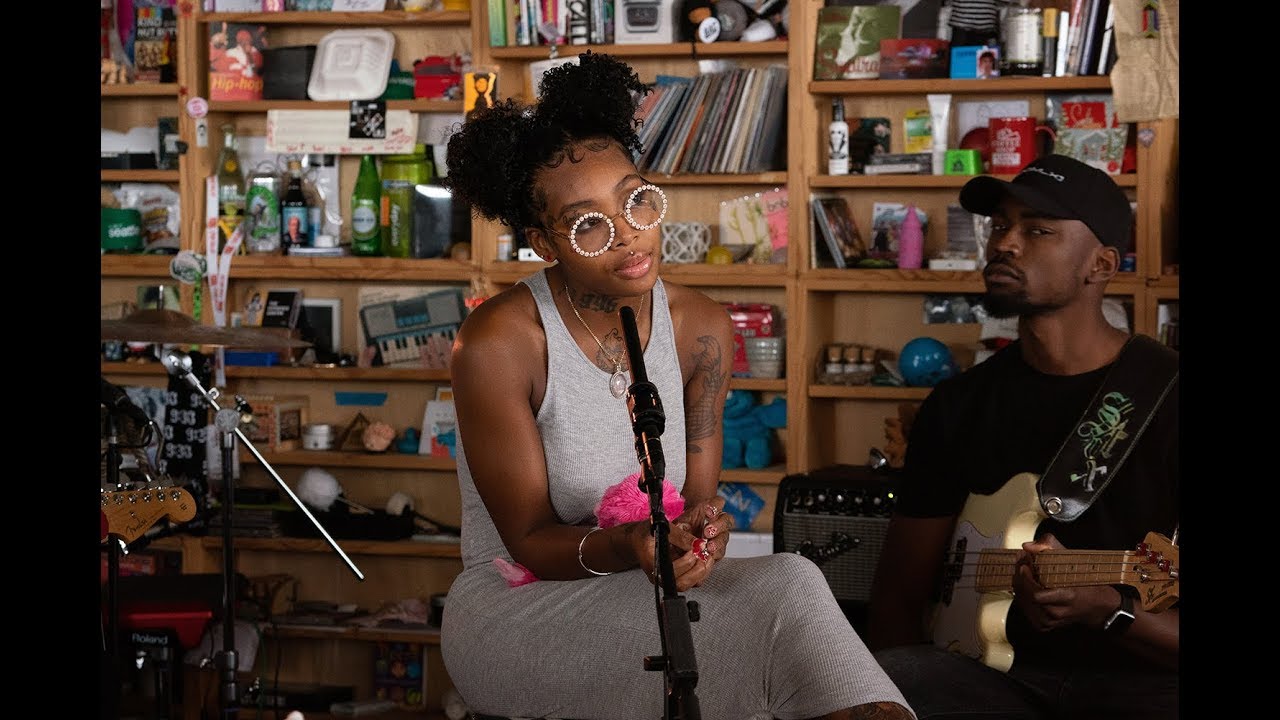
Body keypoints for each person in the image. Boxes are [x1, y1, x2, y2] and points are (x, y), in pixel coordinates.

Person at [439, 51, 914, 720]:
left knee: (791, 580)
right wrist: (633, 547)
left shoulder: (702, 328)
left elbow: (697, 499)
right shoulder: (498, 343)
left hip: (650, 589)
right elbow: (528, 541)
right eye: (589, 224)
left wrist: (699, 535)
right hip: (521, 610)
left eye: (637, 200)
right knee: (780, 609)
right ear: (545, 244)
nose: (629, 234)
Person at [867, 154, 1179, 720]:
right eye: (1001, 226)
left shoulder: (1169, 398)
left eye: (1037, 230)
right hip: (989, 680)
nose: (1005, 244)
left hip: (1145, 684)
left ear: (1101, 264)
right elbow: (899, 597)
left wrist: (1110, 609)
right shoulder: (958, 405)